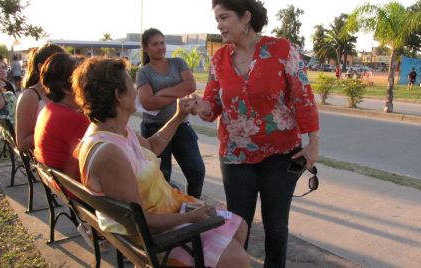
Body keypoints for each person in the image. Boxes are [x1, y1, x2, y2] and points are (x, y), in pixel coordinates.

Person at [72, 57, 249, 268]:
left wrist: (178, 115)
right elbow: (141, 223)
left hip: (169, 214)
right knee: (236, 259)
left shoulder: (116, 130)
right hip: (157, 240)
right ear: (119, 96)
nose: (136, 89)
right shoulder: (109, 152)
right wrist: (192, 217)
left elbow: (153, 146)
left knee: (240, 226)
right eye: (131, 83)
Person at [188, 0, 320, 267]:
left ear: (245, 17)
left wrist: (313, 142)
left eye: (224, 18)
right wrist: (199, 106)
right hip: (236, 155)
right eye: (217, 19)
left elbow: (302, 97)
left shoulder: (281, 49)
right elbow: (213, 105)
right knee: (238, 225)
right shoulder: (219, 58)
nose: (219, 25)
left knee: (276, 225)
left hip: (281, 155)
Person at [136, 28, 205, 198]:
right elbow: (148, 103)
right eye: (155, 44)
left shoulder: (178, 62)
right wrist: (178, 96)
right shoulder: (143, 72)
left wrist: (160, 93)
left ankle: (194, 204)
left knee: (197, 170)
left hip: (181, 125)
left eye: (162, 43)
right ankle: (167, 212)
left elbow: (191, 86)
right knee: (162, 176)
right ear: (146, 48)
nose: (161, 47)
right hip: (155, 129)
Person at [34, 53, 90, 181]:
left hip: (63, 187)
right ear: (67, 88)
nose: (89, 84)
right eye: (84, 79)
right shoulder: (73, 119)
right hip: (81, 193)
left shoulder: (49, 109)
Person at [15, 44, 64, 152]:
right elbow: (22, 144)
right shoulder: (30, 96)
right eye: (59, 65)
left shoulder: (64, 91)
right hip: (46, 160)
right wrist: (54, 129)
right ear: (41, 67)